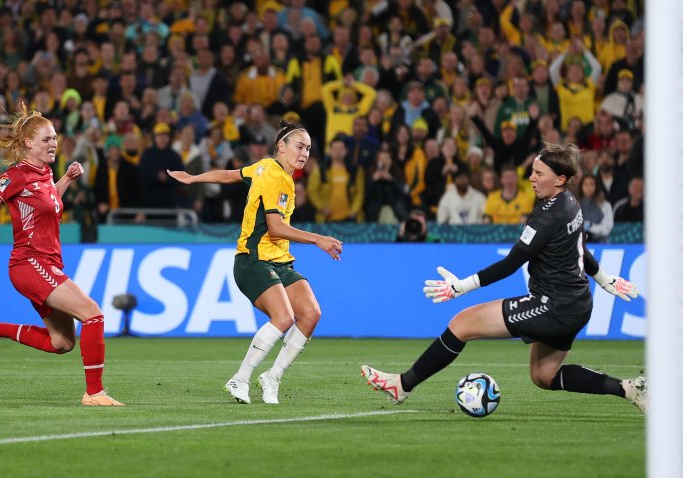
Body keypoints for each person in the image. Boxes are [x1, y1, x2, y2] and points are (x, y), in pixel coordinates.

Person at [361, 142, 648, 414]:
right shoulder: (570, 202)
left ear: (560, 179)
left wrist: (461, 287)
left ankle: (402, 385)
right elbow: (580, 248)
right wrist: (604, 279)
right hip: (577, 304)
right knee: (544, 376)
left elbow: (511, 263)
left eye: (538, 173)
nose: (531, 178)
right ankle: (628, 388)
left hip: (554, 306)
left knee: (462, 323)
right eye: (532, 171)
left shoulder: (547, 217)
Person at [0, 100, 123, 407]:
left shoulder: (45, 174)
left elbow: (47, 202)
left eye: (56, 139)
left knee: (62, 343)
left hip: (46, 264)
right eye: (47, 139)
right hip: (29, 263)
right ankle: (94, 393)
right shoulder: (15, 175)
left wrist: (67, 181)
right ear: (29, 142)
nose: (54, 144)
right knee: (93, 314)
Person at [168, 120, 343, 405]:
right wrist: (317, 239)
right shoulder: (274, 176)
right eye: (299, 146)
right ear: (281, 147)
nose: (304, 153)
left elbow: (229, 175)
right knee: (284, 317)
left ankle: (272, 377)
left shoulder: (265, 168)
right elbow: (275, 227)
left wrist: (194, 178)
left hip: (279, 261)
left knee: (310, 313)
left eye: (308, 148)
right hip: (253, 259)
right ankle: (240, 378)